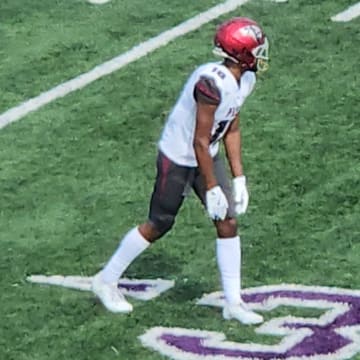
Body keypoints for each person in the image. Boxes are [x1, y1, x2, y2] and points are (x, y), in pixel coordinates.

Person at [92, 17, 269, 325]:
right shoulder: (211, 83)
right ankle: (106, 280)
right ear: (241, 53)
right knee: (160, 222)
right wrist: (212, 187)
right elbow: (199, 140)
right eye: (256, 49)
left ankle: (234, 302)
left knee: (227, 222)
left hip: (205, 153)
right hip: (178, 156)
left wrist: (239, 177)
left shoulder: (245, 80)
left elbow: (232, 127)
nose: (261, 54)